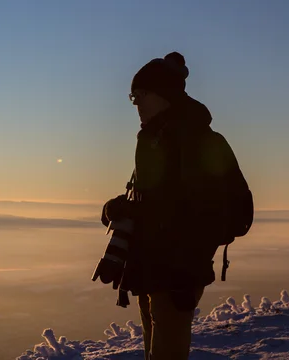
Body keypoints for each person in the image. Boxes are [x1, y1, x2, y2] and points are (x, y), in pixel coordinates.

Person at [101, 52, 250, 360]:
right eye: (133, 98)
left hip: (176, 274)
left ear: (162, 95)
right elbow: (156, 200)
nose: (136, 104)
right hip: (152, 269)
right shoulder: (157, 139)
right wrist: (120, 208)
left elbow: (209, 209)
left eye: (139, 96)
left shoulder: (195, 141)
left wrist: (188, 264)